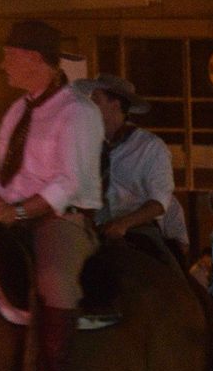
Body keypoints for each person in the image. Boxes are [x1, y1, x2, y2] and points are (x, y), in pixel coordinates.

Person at [0, 20, 103, 371]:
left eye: (8, 56)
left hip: (60, 221)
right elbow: (7, 175)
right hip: (13, 216)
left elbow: (69, 183)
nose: (1, 64)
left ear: (34, 58)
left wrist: (16, 212)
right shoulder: (17, 110)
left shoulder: (78, 112)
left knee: (53, 278)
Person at [74, 73, 186, 267]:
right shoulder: (86, 147)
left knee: (171, 275)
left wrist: (124, 223)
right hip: (93, 231)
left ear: (115, 104)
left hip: (139, 231)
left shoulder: (150, 147)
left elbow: (160, 201)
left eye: (96, 100)